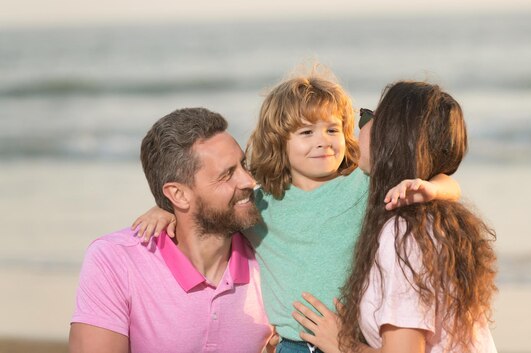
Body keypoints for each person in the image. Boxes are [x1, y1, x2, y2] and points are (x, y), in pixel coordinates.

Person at [133, 65, 462, 353]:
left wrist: (431, 189)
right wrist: (164, 211)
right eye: (306, 132)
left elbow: (448, 183)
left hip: (354, 340)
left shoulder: (364, 185)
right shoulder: (260, 204)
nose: (323, 140)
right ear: (279, 142)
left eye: (332, 129)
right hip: (291, 345)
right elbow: (210, 208)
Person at [291, 81, 498, 353]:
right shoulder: (436, 217)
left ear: (391, 136)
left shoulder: (406, 233)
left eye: (369, 116)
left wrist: (341, 344)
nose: (359, 127)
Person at [69, 108, 273, 353]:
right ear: (178, 194)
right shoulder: (115, 259)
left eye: (243, 165)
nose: (248, 181)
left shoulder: (270, 250)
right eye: (227, 174)